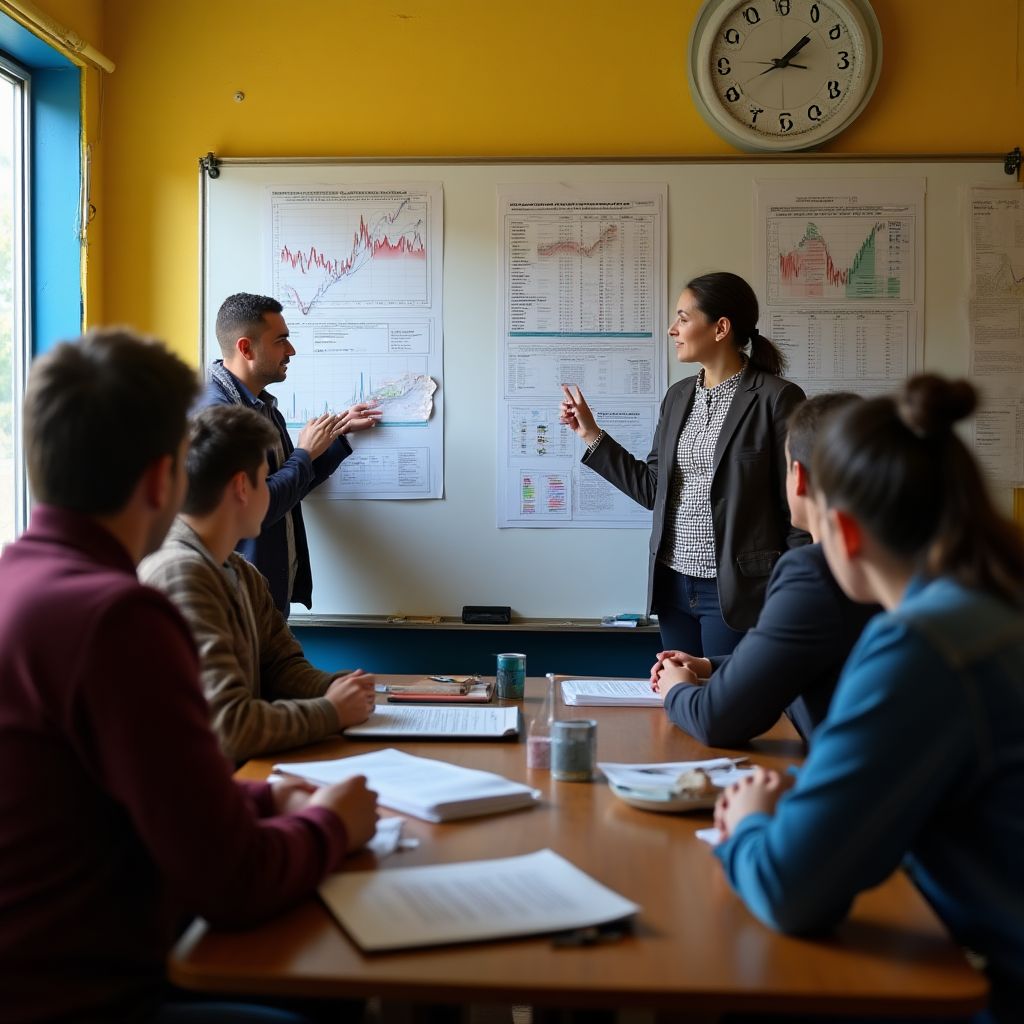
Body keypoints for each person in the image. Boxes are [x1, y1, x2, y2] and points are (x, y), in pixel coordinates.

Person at [0, 329, 378, 1024]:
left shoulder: (22, 584)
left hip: (43, 973)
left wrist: (266, 805)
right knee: (333, 993)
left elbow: (160, 803)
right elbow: (232, 880)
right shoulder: (118, 618)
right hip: (82, 996)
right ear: (159, 479)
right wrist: (331, 824)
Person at [713, 375, 1024, 1023]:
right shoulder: (991, 608)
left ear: (843, 535)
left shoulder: (922, 643)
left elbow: (788, 890)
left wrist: (746, 821)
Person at [560, 272, 808, 658]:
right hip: (674, 585)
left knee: (726, 709)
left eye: (683, 318)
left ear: (720, 327)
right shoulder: (678, 397)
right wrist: (591, 433)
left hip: (739, 591)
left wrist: (795, 592)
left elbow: (797, 508)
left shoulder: (777, 399)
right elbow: (652, 489)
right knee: (679, 698)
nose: (672, 329)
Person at [140, 405, 377, 763]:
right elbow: (230, 729)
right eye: (266, 478)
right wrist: (332, 711)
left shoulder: (241, 572)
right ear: (241, 487)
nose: (272, 495)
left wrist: (335, 688)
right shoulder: (180, 574)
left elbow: (281, 668)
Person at [650, 392, 877, 747]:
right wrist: (709, 665)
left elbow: (716, 719)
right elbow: (796, 655)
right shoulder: (887, 560)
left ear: (798, 478)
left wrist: (675, 688)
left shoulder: (815, 571)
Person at [202, 292, 381, 616]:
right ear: (246, 348)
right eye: (281, 340)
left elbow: (289, 487)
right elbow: (253, 511)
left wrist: (335, 436)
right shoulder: (215, 416)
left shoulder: (264, 408)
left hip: (267, 601)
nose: (291, 350)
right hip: (235, 609)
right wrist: (304, 453)